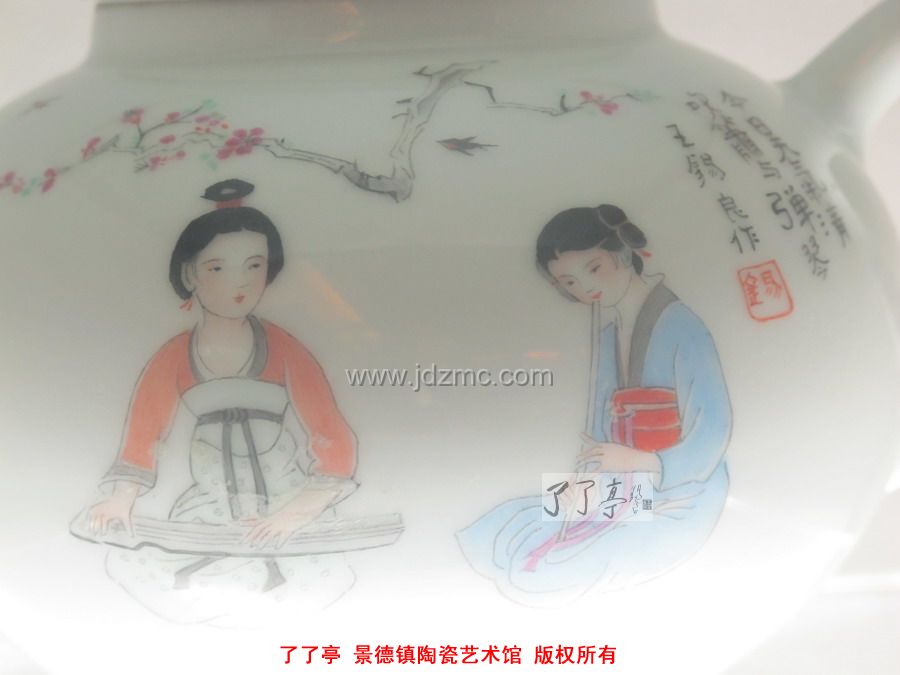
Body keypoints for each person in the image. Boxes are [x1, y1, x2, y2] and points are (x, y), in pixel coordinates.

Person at [85, 179, 359, 623]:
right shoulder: (175, 355)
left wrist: (294, 514)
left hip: (284, 497)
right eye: (217, 268)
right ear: (189, 274)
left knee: (305, 584)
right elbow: (144, 434)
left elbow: (332, 436)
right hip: (210, 503)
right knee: (165, 574)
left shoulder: (285, 348)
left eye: (254, 266)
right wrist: (121, 498)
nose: (240, 283)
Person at [455, 203, 733, 606]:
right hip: (618, 487)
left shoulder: (681, 324)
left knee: (540, 575)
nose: (585, 288)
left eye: (594, 268)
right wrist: (583, 482)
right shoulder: (607, 333)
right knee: (497, 528)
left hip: (679, 492)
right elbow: (599, 435)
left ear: (622, 252)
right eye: (570, 281)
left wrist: (644, 462)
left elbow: (714, 431)